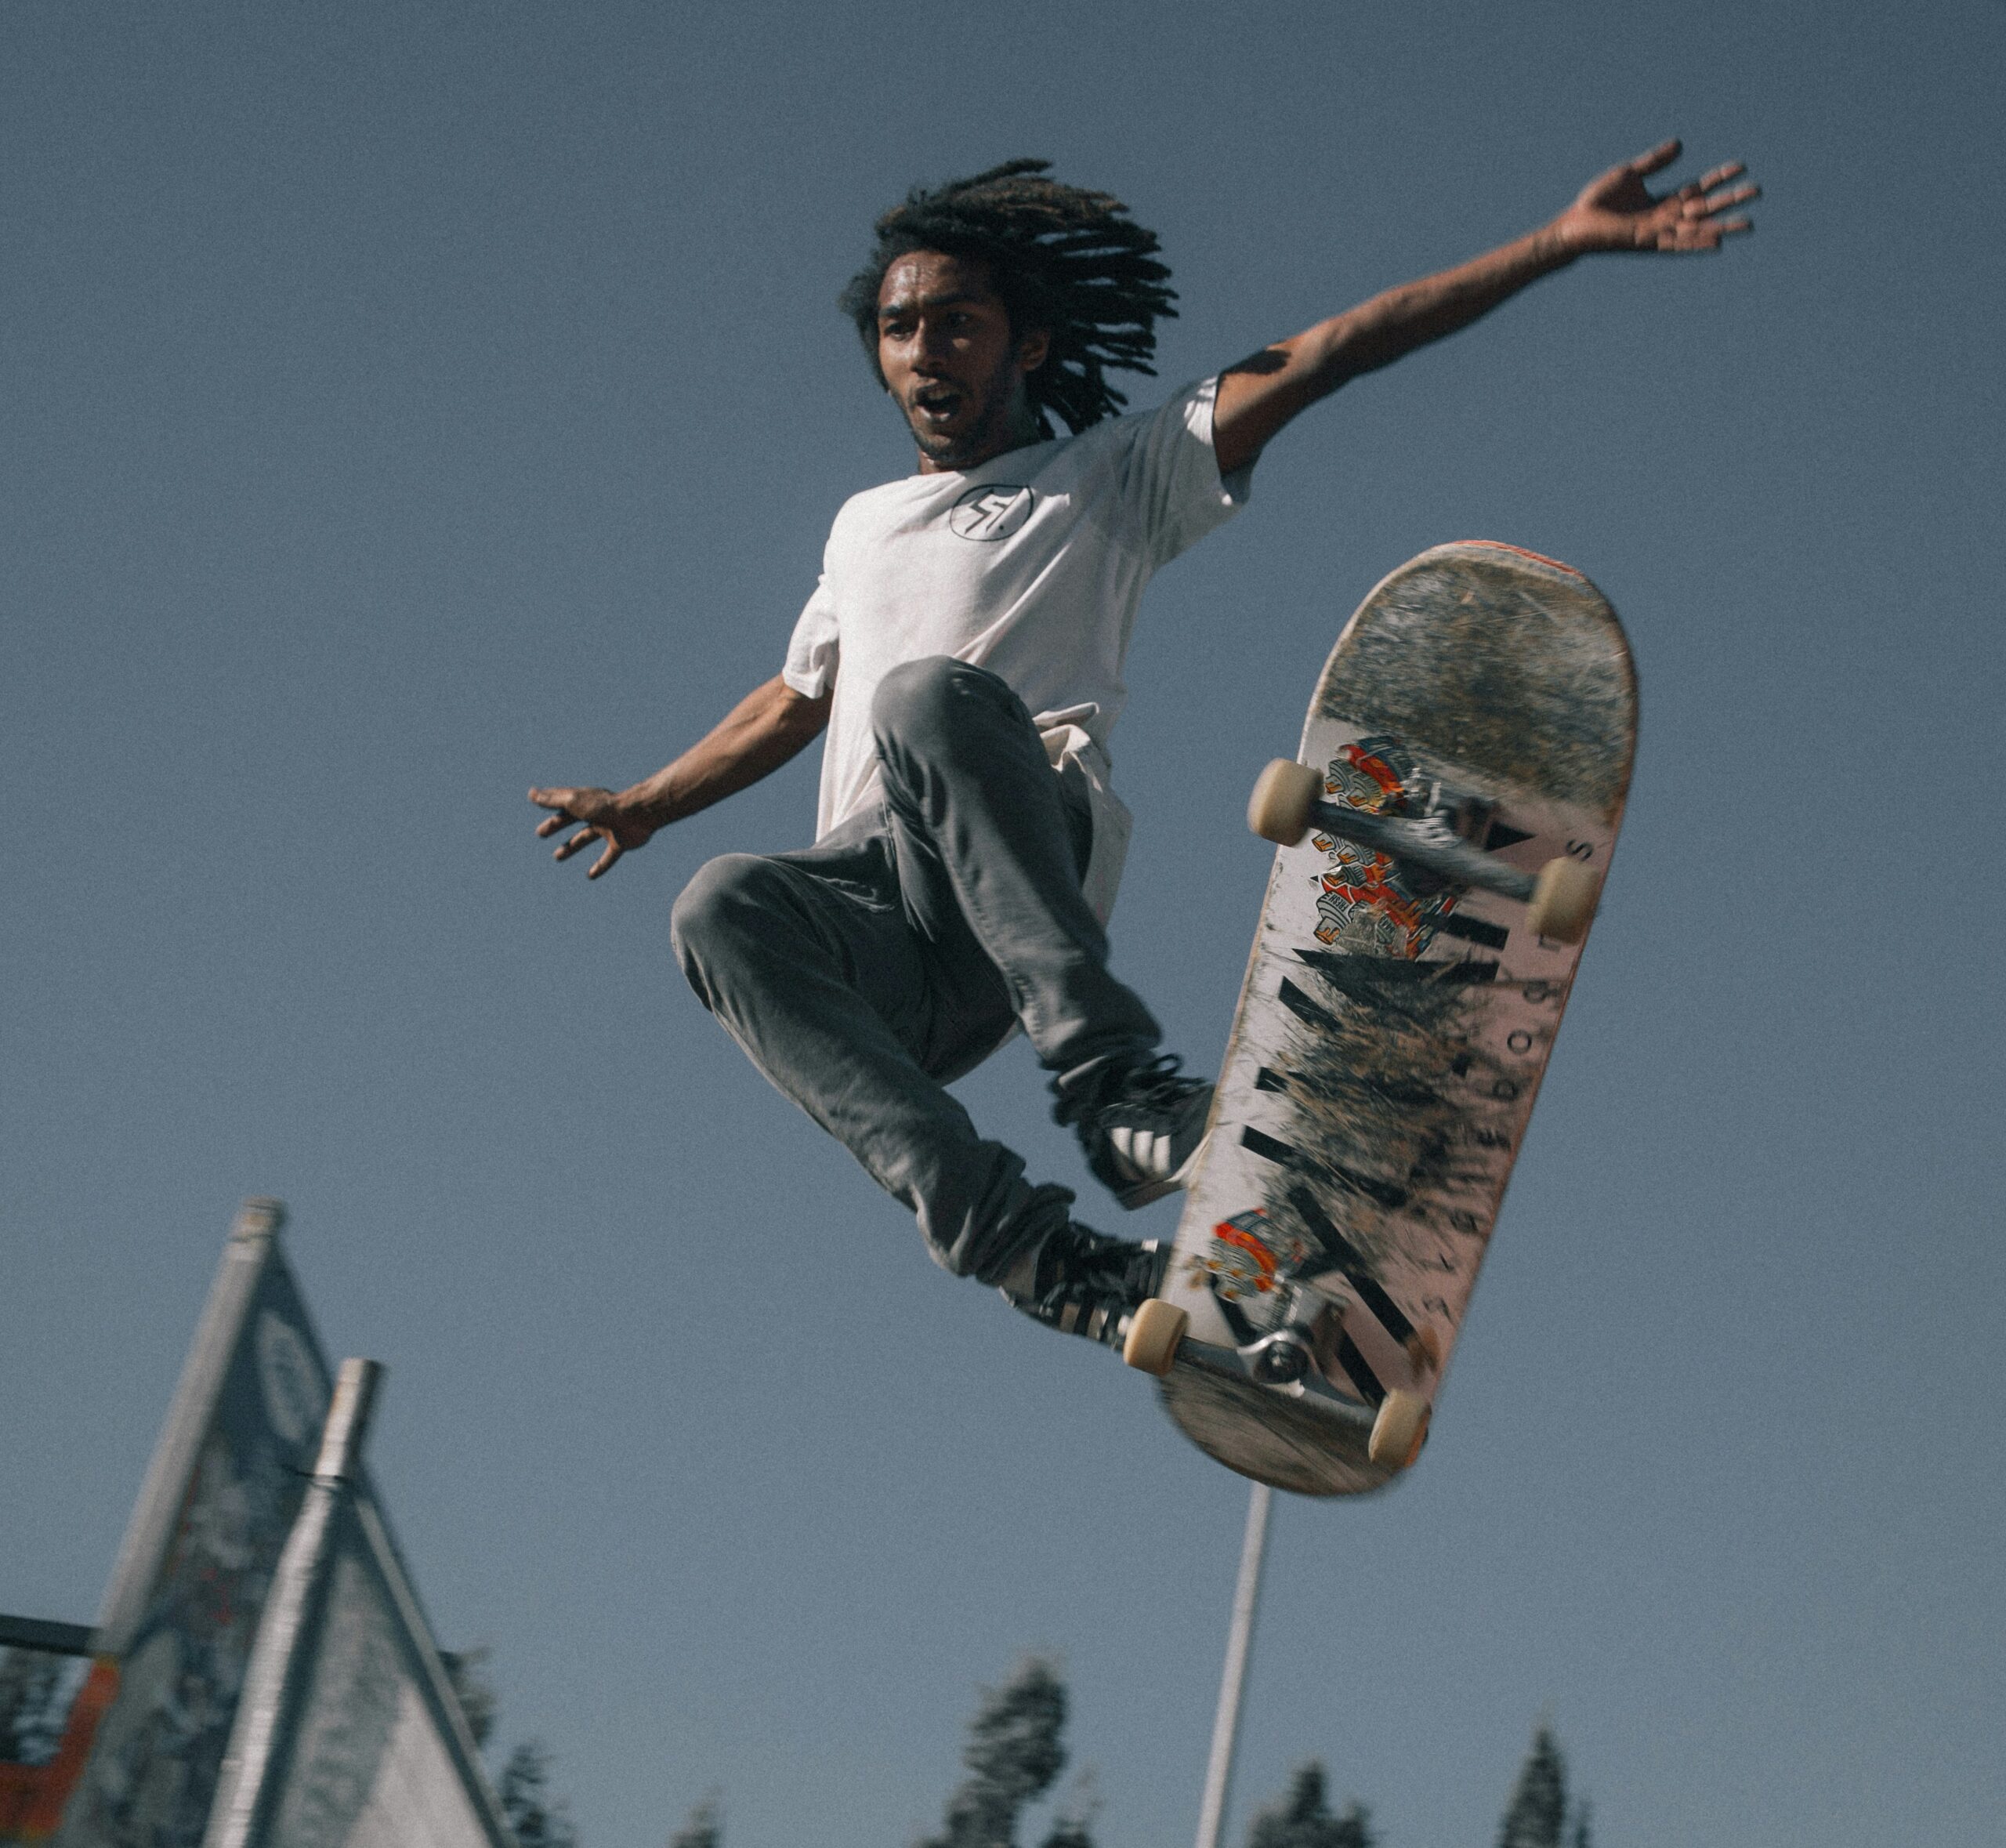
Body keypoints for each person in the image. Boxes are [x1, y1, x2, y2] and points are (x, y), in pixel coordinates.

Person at [529, 142, 1756, 1353]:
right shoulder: (861, 528)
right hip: (889, 930)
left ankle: (1115, 1088)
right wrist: (649, 801)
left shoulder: (1115, 473)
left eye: (958, 322)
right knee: (717, 904)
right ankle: (1041, 1255)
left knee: (924, 702)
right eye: (903, 331)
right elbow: (794, 698)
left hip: (1021, 848)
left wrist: (1555, 242)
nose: (926, 353)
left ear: (1031, 344)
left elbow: (1329, 351)